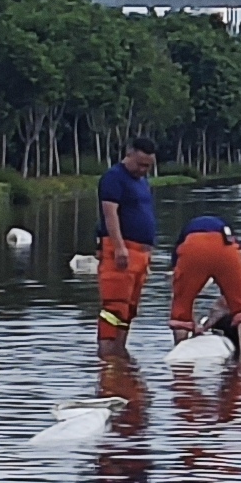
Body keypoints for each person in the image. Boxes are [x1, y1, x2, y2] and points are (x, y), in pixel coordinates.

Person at [95, 138, 160, 338]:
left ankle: (120, 359)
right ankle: (108, 356)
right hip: (122, 251)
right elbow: (110, 213)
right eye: (140, 164)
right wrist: (119, 247)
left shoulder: (142, 181)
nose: (143, 170)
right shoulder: (114, 177)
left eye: (148, 166)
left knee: (129, 308)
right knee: (115, 307)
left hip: (140, 253)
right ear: (129, 154)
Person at [167, 214, 241, 344]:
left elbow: (175, 280)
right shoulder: (232, 237)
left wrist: (193, 323)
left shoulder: (183, 237)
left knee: (182, 305)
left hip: (193, 245)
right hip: (224, 244)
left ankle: (180, 349)